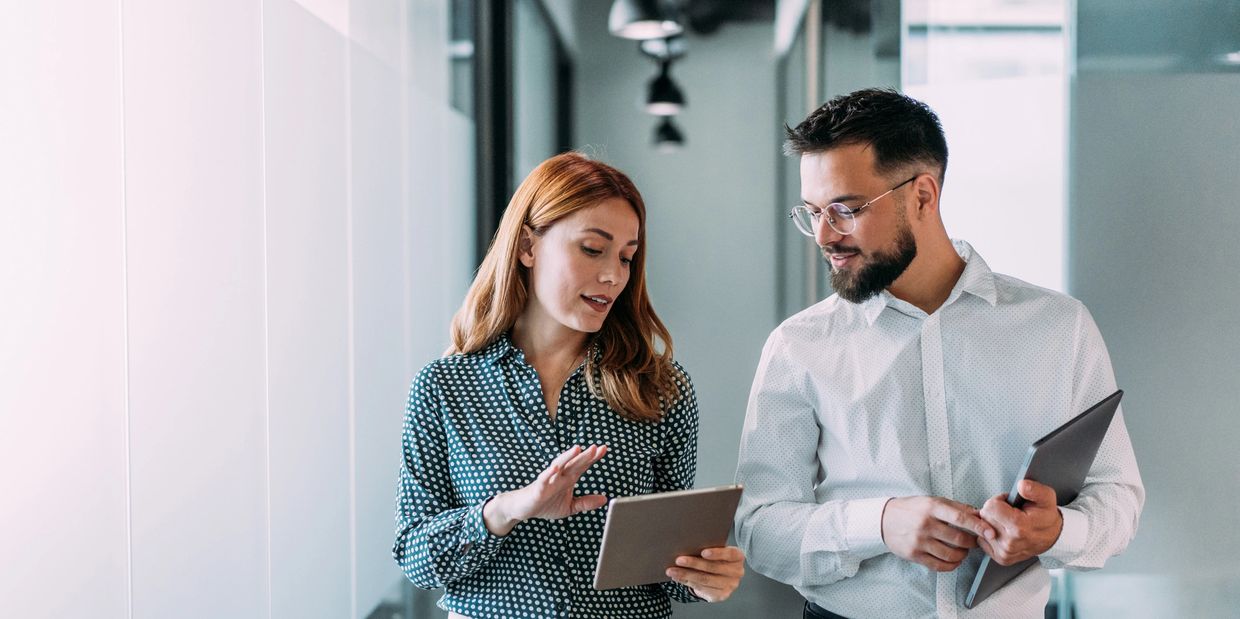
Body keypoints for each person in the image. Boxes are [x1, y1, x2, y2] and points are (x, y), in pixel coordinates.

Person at [733, 88, 1144, 618]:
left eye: (845, 209)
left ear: (923, 196)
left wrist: (1059, 529)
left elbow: (1118, 498)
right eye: (812, 212)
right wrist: (879, 524)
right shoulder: (799, 346)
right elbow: (760, 528)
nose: (823, 235)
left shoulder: (1058, 328)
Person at [393, 152, 745, 619]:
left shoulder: (661, 389)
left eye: (626, 257)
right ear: (527, 247)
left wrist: (706, 577)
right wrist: (506, 510)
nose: (613, 276)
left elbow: (668, 569)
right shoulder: (445, 387)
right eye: (592, 249)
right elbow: (416, 557)